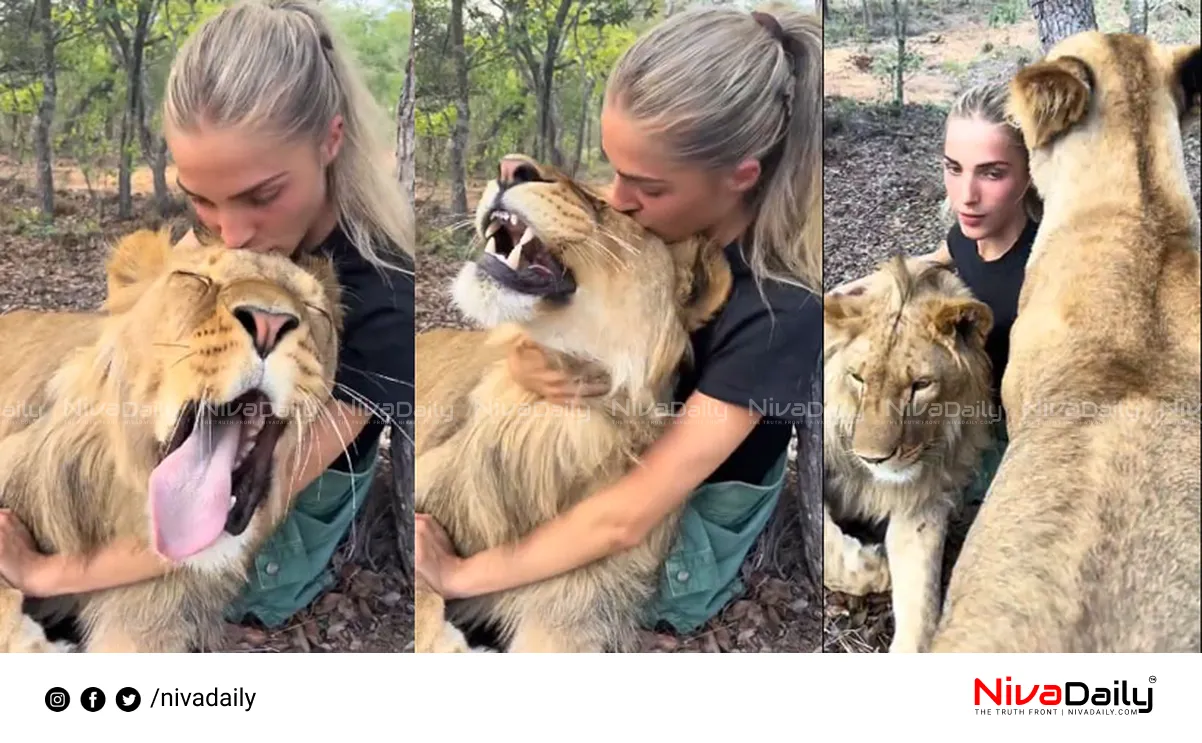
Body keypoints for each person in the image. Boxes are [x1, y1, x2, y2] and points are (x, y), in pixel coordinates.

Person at [0, 0, 415, 632]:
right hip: (200, 441)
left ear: (331, 139)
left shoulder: (385, 295)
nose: (232, 233)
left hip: (281, 493)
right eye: (201, 201)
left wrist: (44, 575)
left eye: (263, 196)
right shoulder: (228, 231)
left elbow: (258, 499)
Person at [415, 5, 824, 638]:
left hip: (677, 512)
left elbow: (628, 518)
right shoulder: (662, 224)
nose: (618, 199)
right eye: (613, 168)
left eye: (646, 186)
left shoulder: (781, 314)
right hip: (606, 454)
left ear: (740, 177)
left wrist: (460, 576)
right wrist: (524, 348)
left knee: (566, 596)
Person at [831, 80, 1043, 504]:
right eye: (954, 168)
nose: (967, 197)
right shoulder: (967, 236)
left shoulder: (1044, 269)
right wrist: (876, 282)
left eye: (992, 173)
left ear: (1032, 172)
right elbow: (943, 253)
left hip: (1008, 442)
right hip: (946, 417)